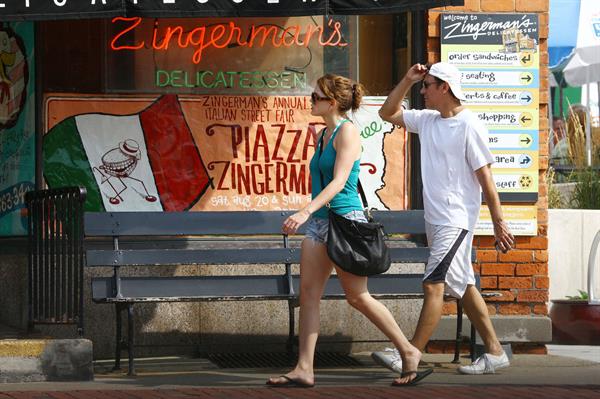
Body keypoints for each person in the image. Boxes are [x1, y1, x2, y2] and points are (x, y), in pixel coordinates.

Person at [266, 74, 433, 387]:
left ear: (331, 102)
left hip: (345, 222)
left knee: (357, 297)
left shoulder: (348, 132)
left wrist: (305, 210)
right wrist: (312, 215)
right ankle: (304, 368)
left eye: (315, 97)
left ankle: (408, 351)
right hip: (320, 225)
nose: (310, 100)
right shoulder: (323, 134)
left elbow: (340, 182)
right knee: (309, 295)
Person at [372, 62, 515, 375]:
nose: (422, 92)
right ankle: (494, 351)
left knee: (433, 283)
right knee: (462, 284)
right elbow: (387, 113)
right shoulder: (427, 121)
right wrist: (408, 79)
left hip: (456, 220)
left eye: (427, 86)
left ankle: (410, 353)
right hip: (435, 221)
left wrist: (498, 221)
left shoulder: (469, 125)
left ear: (444, 88)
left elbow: (485, 178)